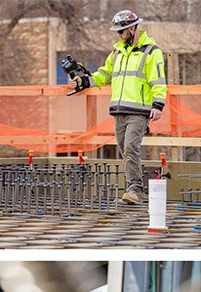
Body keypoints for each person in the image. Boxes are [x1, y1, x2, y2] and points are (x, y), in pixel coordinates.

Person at [71, 9, 167, 205]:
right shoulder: (117, 52)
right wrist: (85, 82)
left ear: (132, 28)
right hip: (119, 110)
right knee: (125, 150)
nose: (119, 35)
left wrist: (158, 105)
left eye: (121, 31)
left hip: (139, 111)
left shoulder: (151, 52)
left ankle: (135, 191)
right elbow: (104, 74)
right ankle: (132, 188)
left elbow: (158, 81)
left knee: (131, 147)